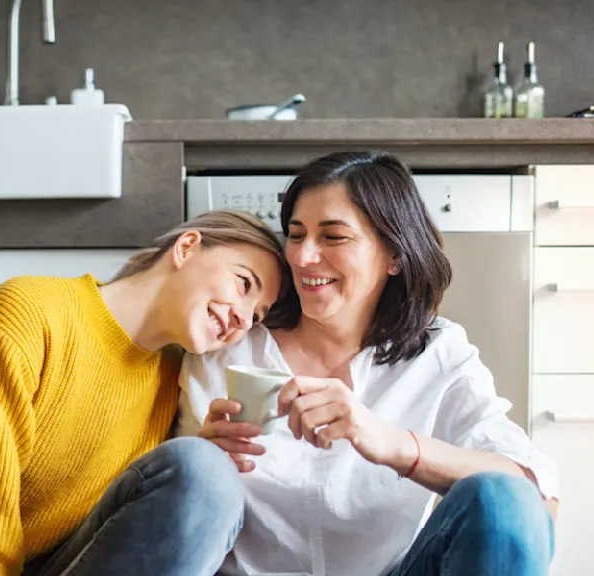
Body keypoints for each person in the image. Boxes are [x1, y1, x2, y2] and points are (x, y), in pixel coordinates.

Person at [0, 209, 285, 576]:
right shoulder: (28, 314)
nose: (244, 318)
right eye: (244, 284)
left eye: (258, 315)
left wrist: (196, 465)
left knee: (203, 469)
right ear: (187, 248)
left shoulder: (172, 377)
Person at [178, 151, 559, 576]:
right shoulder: (230, 343)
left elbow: (535, 496)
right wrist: (201, 458)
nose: (303, 258)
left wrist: (394, 445)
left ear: (394, 254)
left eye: (333, 237)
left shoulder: (436, 352)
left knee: (504, 499)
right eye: (296, 234)